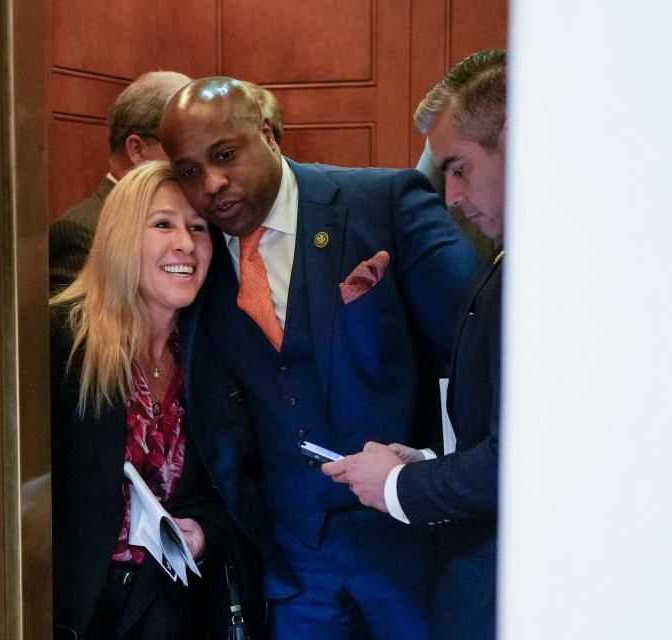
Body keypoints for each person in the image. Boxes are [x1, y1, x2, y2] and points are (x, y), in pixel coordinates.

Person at [159, 77, 481, 639]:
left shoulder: (382, 203)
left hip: (410, 545)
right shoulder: (198, 258)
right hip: (292, 566)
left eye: (226, 155)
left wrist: (441, 467)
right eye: (189, 172)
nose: (211, 183)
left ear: (268, 134)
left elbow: (480, 345)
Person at [322, 49, 507, 640]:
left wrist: (400, 486)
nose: (450, 196)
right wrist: (429, 464)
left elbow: (529, 461)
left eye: (459, 167)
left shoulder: (557, 273)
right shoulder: (508, 260)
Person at [49, 160, 262, 639]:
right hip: (77, 614)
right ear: (122, 237)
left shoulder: (214, 356)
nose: (185, 243)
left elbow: (244, 479)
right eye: (163, 224)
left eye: (199, 228)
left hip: (175, 611)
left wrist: (205, 533)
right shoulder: (60, 342)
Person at [49, 71, 191, 292]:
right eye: (182, 144)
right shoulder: (82, 233)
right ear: (137, 149)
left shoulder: (195, 221)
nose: (194, 159)